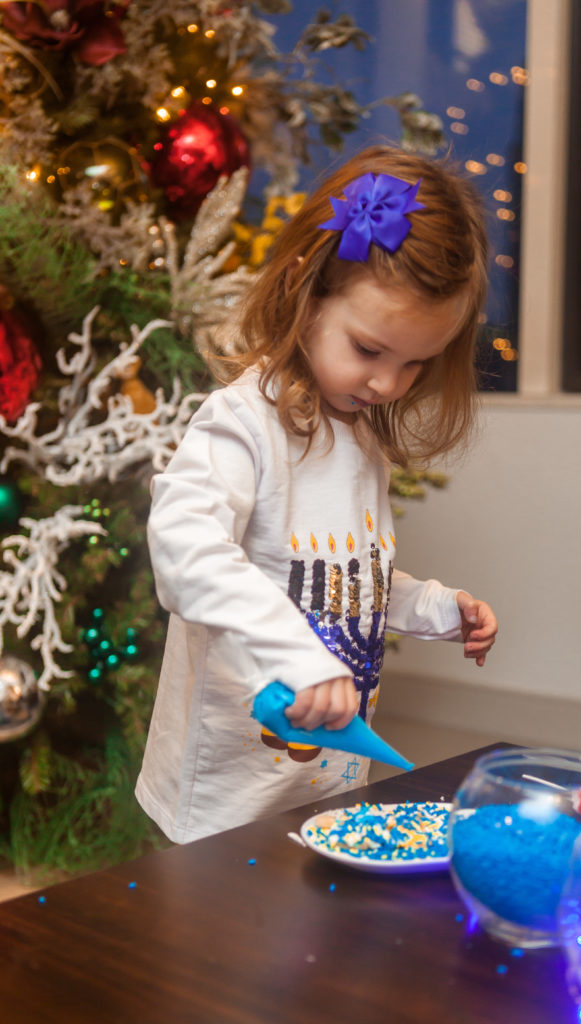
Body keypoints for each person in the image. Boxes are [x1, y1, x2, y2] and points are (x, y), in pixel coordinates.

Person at [135, 145, 498, 843]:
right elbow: (184, 552)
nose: (388, 384)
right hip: (221, 803)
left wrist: (432, 607)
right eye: (367, 350)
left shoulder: (358, 438)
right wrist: (296, 657)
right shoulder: (241, 424)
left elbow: (340, 583)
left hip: (327, 787)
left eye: (414, 364)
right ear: (306, 295)